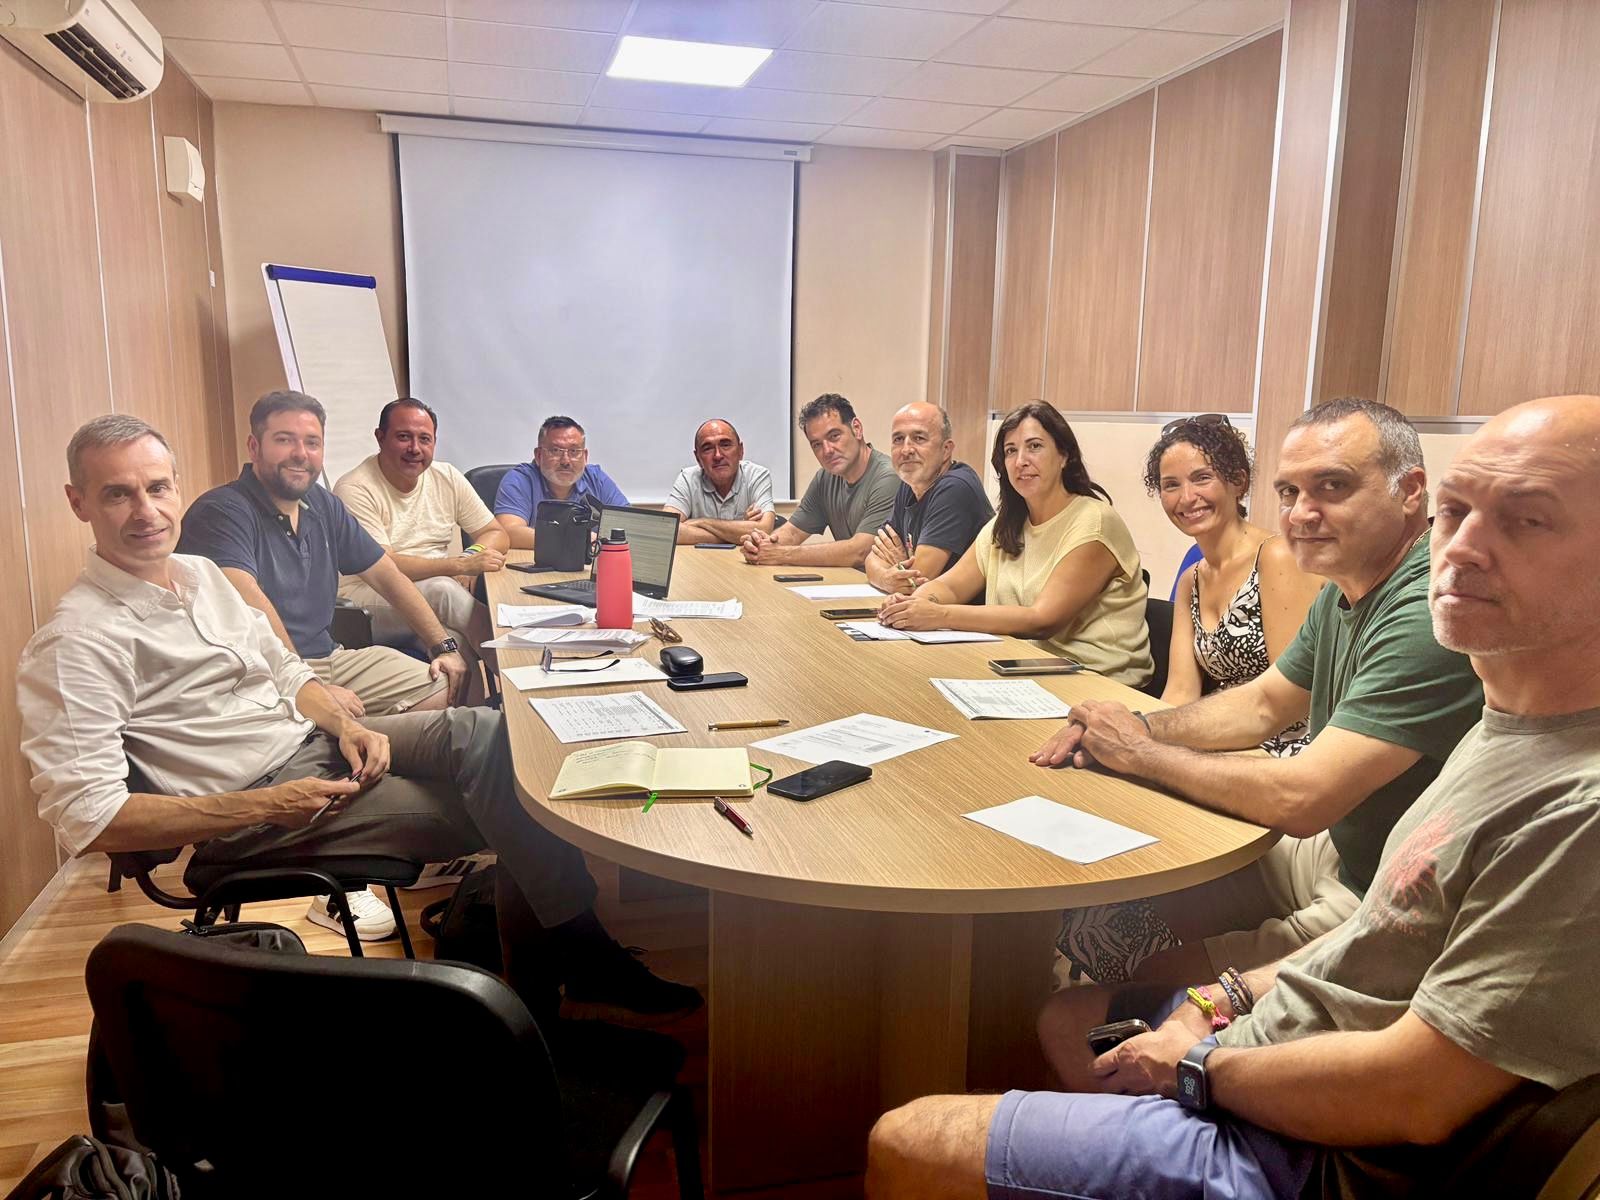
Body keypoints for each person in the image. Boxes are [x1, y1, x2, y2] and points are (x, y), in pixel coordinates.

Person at [866, 394, 1600, 1200]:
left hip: (1313, 1142)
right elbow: (1376, 924)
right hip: (1282, 1016)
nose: (1460, 549)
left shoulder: (1571, 800)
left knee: (909, 1140)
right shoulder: (1503, 721)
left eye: (1527, 520)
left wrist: (1196, 1066)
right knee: (1073, 999)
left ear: (1404, 494)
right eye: (1457, 513)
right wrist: (1224, 996)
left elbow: (1415, 1086)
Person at [19, 415, 701, 1026]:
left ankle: (560, 966)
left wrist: (344, 724)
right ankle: (548, 996)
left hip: (312, 746)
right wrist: (267, 804)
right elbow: (88, 820)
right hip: (256, 807)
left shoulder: (198, 575)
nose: (147, 511)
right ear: (79, 502)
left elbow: (287, 671)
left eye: (158, 488)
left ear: (176, 488)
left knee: (499, 735)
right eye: (119, 494)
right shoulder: (77, 641)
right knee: (512, 803)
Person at [1034, 398, 1483, 989]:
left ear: (1411, 491)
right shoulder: (1344, 585)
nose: (1303, 513)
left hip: (1382, 893)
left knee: (1112, 988)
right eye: (1291, 493)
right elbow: (1264, 702)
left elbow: (1303, 796)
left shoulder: (1426, 609)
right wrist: (1139, 728)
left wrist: (1140, 752)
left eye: (1333, 486)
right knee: (1099, 912)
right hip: (1336, 847)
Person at [180, 390, 479, 941]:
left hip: (330, 654)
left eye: (311, 442)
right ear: (254, 447)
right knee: (335, 736)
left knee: (438, 686)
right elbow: (251, 609)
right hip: (265, 674)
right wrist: (310, 685)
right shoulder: (222, 511)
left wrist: (442, 644)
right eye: (284, 440)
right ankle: (339, 884)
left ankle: (405, 844)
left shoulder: (320, 503)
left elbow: (385, 573)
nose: (301, 453)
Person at [878, 402, 1153, 688]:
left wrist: (940, 615)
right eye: (1011, 451)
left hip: (1097, 681)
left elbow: (1042, 620)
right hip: (1020, 667)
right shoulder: (1007, 523)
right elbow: (951, 586)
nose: (1021, 460)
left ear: (1064, 455)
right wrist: (913, 603)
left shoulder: (1094, 521)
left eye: (1034, 446)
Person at [1152, 416, 1323, 753]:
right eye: (1171, 485)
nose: (1187, 497)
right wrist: (1138, 731)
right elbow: (1180, 693)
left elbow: (1291, 697)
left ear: (1238, 482)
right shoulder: (1191, 580)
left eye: (1202, 478)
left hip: (1285, 740)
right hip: (1223, 731)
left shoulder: (1276, 556)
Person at [333, 397, 506, 696]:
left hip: (429, 599)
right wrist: (457, 566)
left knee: (455, 642)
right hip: (366, 599)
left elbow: (495, 532)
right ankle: (519, 678)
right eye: (403, 437)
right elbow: (384, 565)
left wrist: (471, 555)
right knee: (442, 590)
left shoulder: (446, 476)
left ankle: (480, 720)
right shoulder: (355, 488)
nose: (415, 448)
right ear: (380, 437)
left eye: (424, 439)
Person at [739, 393, 898, 569]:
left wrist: (780, 554)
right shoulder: (825, 478)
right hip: (852, 580)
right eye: (817, 444)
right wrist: (761, 545)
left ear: (857, 429)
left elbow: (861, 551)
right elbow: (792, 532)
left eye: (834, 436)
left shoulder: (888, 477)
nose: (827, 450)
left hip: (887, 584)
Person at [866, 402, 993, 595]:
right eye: (898, 439)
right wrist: (886, 578)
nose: (906, 450)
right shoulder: (909, 484)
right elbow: (873, 557)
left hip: (964, 611)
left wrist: (897, 568)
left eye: (919, 438)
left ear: (946, 450)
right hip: (927, 607)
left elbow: (918, 578)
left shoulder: (955, 487)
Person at [494, 415, 628, 549]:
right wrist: (576, 539)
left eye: (574, 451)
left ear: (585, 457)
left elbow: (629, 525)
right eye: (555, 451)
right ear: (539, 455)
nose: (565, 461)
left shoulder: (596, 479)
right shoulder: (520, 479)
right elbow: (508, 533)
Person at [662, 418, 776, 545]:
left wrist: (702, 522)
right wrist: (734, 534)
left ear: (740, 451)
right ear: (698, 458)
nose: (717, 455)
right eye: (707, 448)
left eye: (725, 445)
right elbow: (666, 528)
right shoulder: (688, 478)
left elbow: (764, 529)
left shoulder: (757, 475)